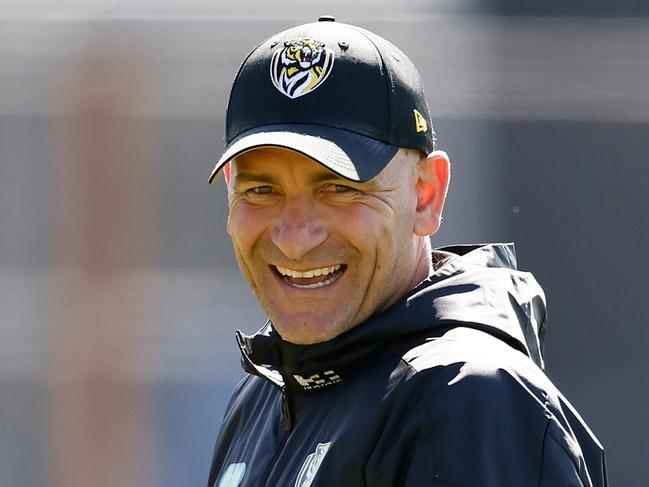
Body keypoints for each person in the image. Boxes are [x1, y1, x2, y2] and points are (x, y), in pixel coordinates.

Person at [206, 16, 607, 487]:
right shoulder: (260, 397)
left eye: (339, 189)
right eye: (261, 190)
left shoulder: (463, 401)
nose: (295, 237)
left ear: (425, 195)